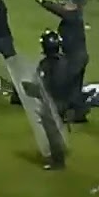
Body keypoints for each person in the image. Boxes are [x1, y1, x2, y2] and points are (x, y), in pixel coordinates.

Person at [35, 0, 88, 122]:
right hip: (78, 57)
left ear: (75, 6)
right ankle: (79, 113)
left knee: (64, 84)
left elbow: (60, 11)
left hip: (75, 58)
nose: (65, 6)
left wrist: (44, 2)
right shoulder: (73, 18)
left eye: (67, 4)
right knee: (74, 87)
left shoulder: (73, 17)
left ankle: (60, 111)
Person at [36, 29, 70, 170]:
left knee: (52, 131)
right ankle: (58, 156)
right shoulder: (65, 61)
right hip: (64, 100)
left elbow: (43, 85)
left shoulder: (45, 64)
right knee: (58, 129)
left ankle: (58, 161)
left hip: (52, 102)